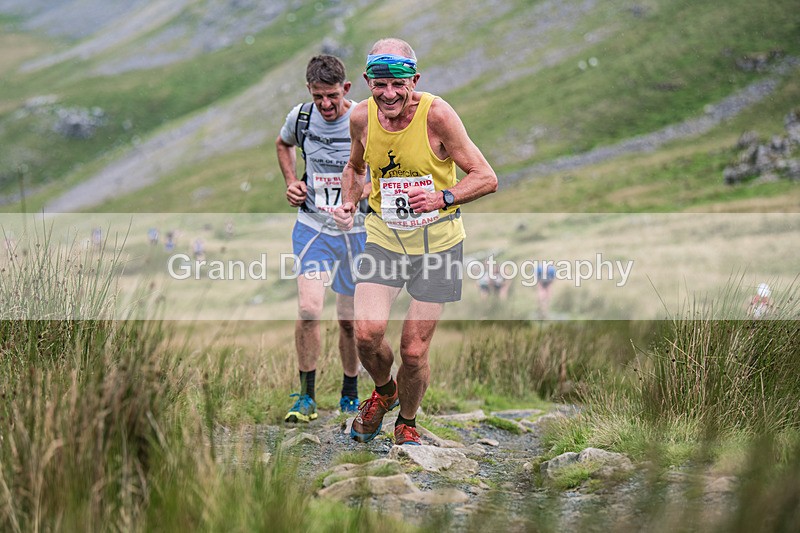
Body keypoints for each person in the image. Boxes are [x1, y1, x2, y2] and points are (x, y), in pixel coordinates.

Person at [334, 38, 497, 445]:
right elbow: (353, 168)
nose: (389, 94)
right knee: (366, 333)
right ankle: (386, 392)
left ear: (415, 80)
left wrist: (443, 197)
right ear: (369, 82)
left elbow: (486, 176)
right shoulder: (360, 118)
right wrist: (348, 203)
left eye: (398, 83)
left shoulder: (437, 115)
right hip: (385, 239)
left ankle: (406, 421)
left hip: (439, 246)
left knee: (413, 350)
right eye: (380, 84)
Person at [276, 54, 369, 423]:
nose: (326, 105)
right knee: (309, 309)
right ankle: (306, 396)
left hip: (356, 231)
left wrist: (354, 199)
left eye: (332, 95)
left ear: (346, 89)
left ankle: (350, 391)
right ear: (309, 92)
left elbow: (381, 174)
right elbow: (283, 144)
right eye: (319, 97)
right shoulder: (300, 118)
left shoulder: (365, 118)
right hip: (313, 227)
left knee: (348, 320)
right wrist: (291, 182)